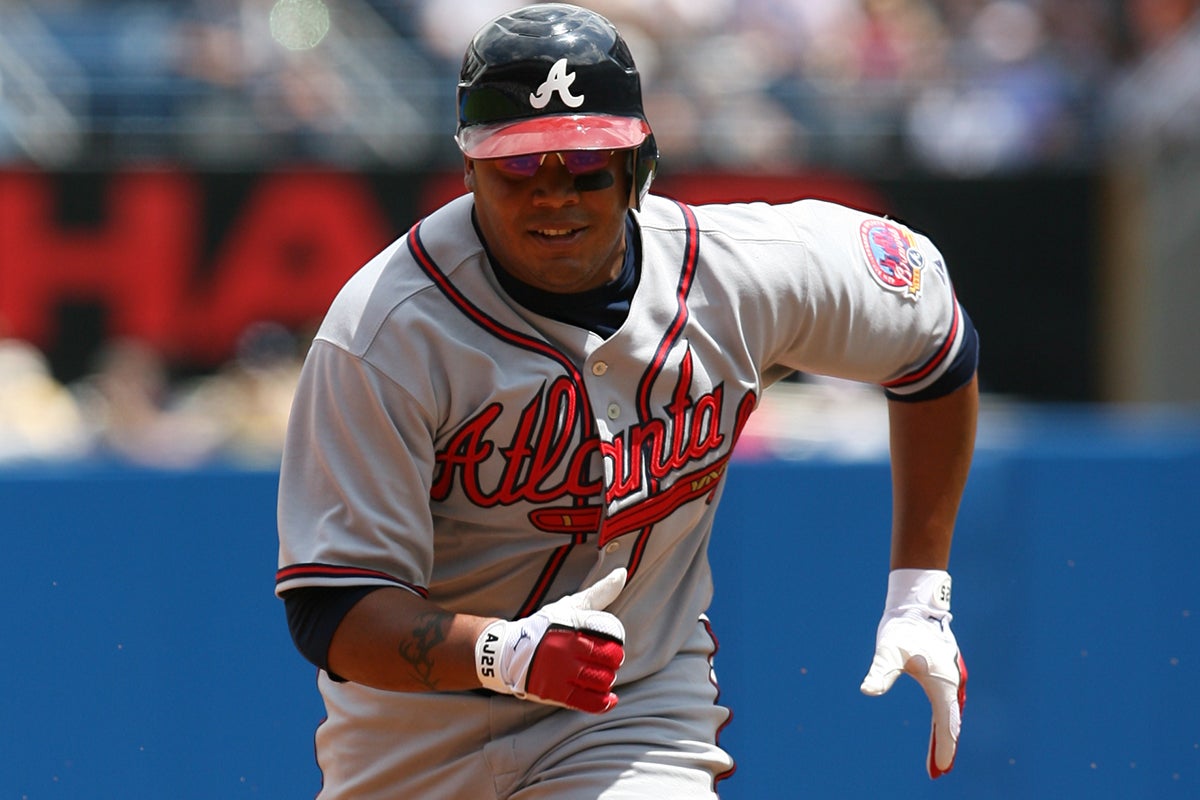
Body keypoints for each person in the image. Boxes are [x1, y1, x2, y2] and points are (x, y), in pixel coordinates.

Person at [275, 4, 979, 798]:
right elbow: (332, 610)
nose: (552, 194)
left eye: (583, 164)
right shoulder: (383, 333)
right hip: (415, 736)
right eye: (517, 165)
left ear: (639, 164)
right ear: (468, 170)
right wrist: (503, 654)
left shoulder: (746, 273)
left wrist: (922, 591)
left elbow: (934, 338)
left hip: (630, 708)